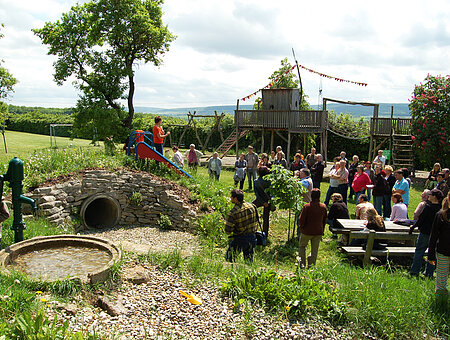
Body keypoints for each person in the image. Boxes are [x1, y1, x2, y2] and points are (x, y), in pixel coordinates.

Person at [409, 188, 443, 277]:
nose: (429, 196)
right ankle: (429, 273)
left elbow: (421, 220)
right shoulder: (441, 209)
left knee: (419, 251)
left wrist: (413, 227)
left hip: (425, 232)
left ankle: (414, 271)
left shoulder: (428, 207)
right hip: (436, 235)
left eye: (431, 195)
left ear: (434, 197)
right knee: (432, 254)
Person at [428, 192, 450, 311]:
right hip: (443, 252)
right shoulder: (441, 215)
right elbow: (434, 236)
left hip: (443, 251)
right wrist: (431, 255)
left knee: (441, 280)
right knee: (441, 280)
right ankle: (440, 306)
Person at [225, 189, 258, 262]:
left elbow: (228, 231)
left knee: (229, 259)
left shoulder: (233, 213)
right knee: (249, 262)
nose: (230, 198)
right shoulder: (252, 206)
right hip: (252, 237)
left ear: (235, 199)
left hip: (240, 239)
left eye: (231, 197)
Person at [298, 188, 327, 268]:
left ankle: (302, 264)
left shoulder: (307, 206)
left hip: (306, 231)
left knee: (302, 247)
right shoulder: (323, 207)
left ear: (311, 195)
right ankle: (311, 265)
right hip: (318, 231)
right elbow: (324, 220)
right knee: (314, 250)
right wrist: (322, 229)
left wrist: (301, 227)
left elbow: (301, 219)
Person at [253, 166, 272, 237]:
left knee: (250, 208)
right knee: (266, 218)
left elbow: (257, 194)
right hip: (268, 200)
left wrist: (262, 202)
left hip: (259, 200)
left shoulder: (256, 181)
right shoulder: (269, 181)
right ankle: (265, 234)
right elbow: (272, 192)